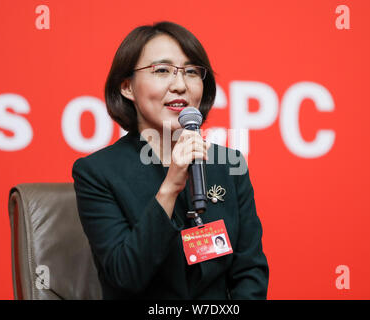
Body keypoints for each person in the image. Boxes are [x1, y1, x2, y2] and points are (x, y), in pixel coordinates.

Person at [72, 21, 269, 300]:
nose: (180, 85)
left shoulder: (228, 164)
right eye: (162, 71)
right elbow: (125, 276)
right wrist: (170, 188)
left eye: (191, 72)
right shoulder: (98, 173)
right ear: (127, 87)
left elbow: (250, 273)